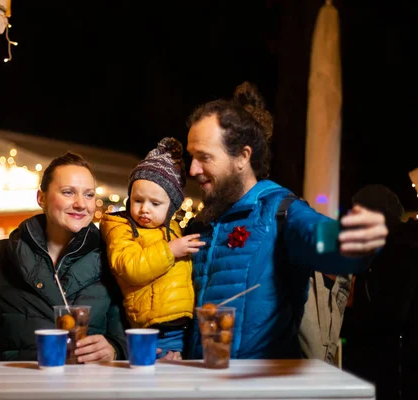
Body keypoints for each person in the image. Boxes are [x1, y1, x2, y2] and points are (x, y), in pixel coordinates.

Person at [184, 82, 388, 360]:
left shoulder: (280, 212)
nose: (193, 169)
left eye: (204, 157)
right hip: (202, 383)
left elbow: (320, 237)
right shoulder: (201, 225)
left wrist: (354, 239)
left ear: (243, 157)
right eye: (191, 157)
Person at [0, 152, 128, 362]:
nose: (81, 204)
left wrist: (114, 348)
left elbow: (125, 329)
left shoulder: (113, 257)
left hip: (88, 387)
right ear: (42, 198)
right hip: (19, 387)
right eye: (68, 192)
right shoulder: (1, 257)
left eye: (89, 195)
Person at [100, 138, 204, 359]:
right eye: (138, 200)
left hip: (183, 328)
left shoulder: (174, 229)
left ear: (172, 207)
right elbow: (129, 267)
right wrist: (170, 250)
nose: (145, 209)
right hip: (152, 329)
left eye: (155, 204)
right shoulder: (121, 227)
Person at [341, 184, 418, 400]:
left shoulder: (401, 252)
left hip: (395, 376)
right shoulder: (384, 251)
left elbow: (389, 317)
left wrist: (342, 320)